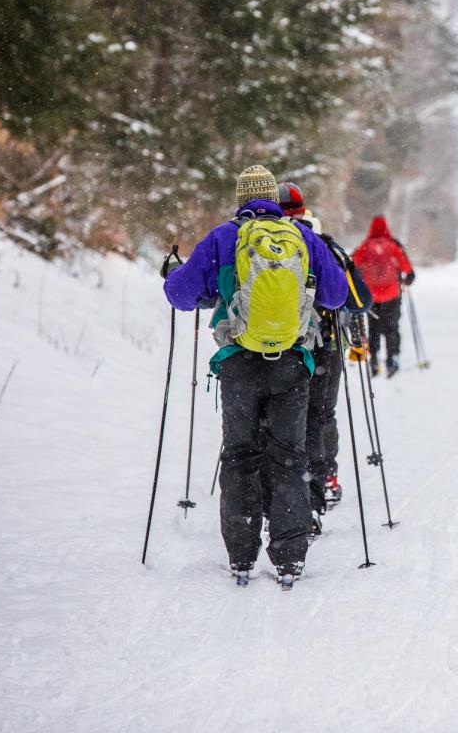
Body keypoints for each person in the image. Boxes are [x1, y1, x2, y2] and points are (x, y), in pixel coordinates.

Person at [162, 165, 347, 589]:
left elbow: (182, 295)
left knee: (242, 454)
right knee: (289, 456)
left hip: (239, 363)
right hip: (292, 362)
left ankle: (242, 556)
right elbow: (336, 295)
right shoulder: (303, 238)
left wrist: (175, 274)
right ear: (273, 200)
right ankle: (289, 557)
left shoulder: (224, 238)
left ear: (241, 199)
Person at [273, 184, 371, 520]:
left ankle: (277, 491)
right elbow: (360, 302)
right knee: (320, 416)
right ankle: (324, 478)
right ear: (302, 210)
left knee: (278, 421)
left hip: (274, 348)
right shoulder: (323, 244)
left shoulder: (252, 241)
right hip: (324, 347)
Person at [351, 215, 415, 378]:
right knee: (392, 327)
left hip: (371, 296)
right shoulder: (392, 246)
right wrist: (407, 279)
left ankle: (373, 359)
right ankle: (392, 358)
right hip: (392, 295)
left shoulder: (365, 246)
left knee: (373, 328)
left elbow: (352, 263)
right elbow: (407, 270)